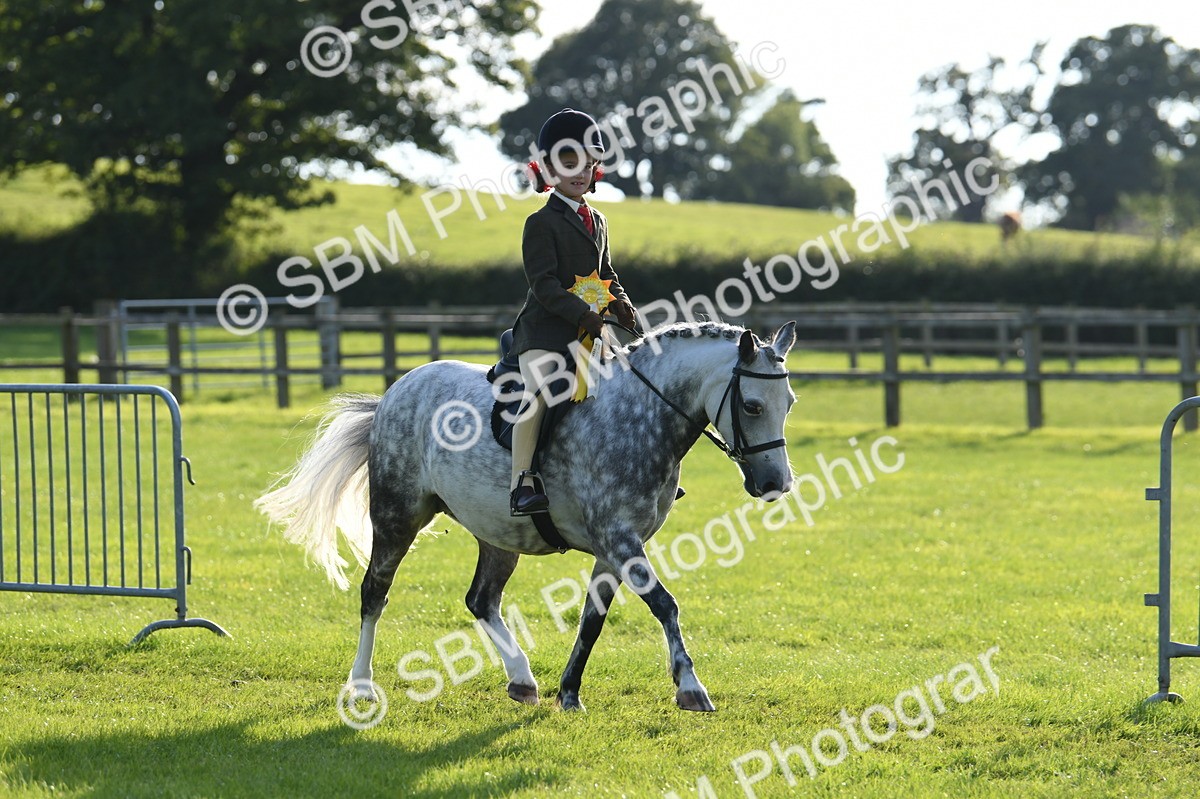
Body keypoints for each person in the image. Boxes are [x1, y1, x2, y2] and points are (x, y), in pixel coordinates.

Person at [508, 108, 637, 516]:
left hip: (590, 333)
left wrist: (621, 301)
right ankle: (522, 482)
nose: (579, 172)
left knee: (628, 389)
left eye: (587, 163)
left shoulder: (598, 220)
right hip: (545, 332)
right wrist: (583, 314)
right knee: (540, 392)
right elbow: (543, 284)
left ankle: (634, 471)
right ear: (547, 168)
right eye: (568, 163)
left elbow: (606, 273)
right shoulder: (540, 223)